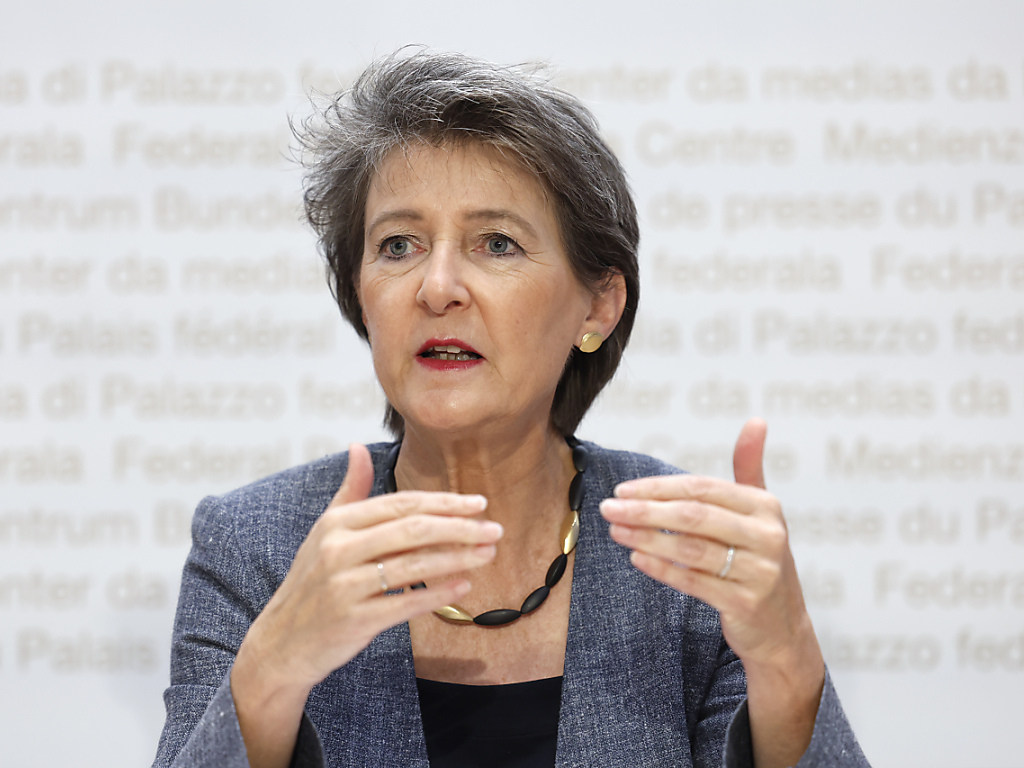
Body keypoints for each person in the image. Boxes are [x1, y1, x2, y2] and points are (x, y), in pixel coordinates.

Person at [152, 50, 870, 768]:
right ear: (361, 297)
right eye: (398, 245)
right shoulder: (255, 549)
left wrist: (789, 663)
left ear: (598, 306)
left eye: (496, 244)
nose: (437, 287)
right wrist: (273, 669)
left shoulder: (689, 560)